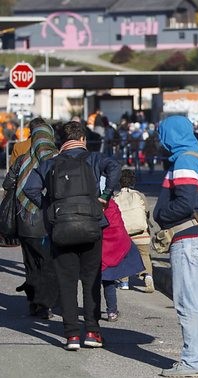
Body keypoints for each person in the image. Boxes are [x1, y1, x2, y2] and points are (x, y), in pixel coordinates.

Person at [23, 120, 121, 350]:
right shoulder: (94, 159)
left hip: (61, 228)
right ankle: (93, 332)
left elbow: (30, 188)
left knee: (66, 282)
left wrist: (50, 208)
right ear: (83, 139)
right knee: (91, 281)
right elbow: (115, 168)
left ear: (61, 141)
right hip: (91, 226)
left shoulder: (50, 163)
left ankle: (72, 336)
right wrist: (105, 195)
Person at [153, 115, 198, 377]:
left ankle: (191, 362)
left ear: (169, 136)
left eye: (161, 134)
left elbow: (185, 204)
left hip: (187, 241)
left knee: (187, 304)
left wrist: (160, 216)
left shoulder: (184, 161)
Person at [3, 122, 59, 319]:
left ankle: (33, 303)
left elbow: (7, 182)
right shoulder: (56, 159)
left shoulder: (22, 160)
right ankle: (45, 305)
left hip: (24, 221)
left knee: (31, 264)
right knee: (48, 264)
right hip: (47, 222)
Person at [101, 198, 145, 322]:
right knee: (109, 280)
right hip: (115, 244)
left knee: (95, 282)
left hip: (99, 246)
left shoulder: (89, 202)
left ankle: (93, 311)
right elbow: (118, 224)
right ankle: (112, 311)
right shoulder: (111, 205)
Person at [113, 169, 155, 293]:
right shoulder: (139, 195)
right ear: (133, 182)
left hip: (124, 235)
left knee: (123, 257)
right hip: (141, 233)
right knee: (144, 255)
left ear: (119, 183)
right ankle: (148, 276)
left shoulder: (116, 198)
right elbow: (146, 211)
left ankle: (124, 282)